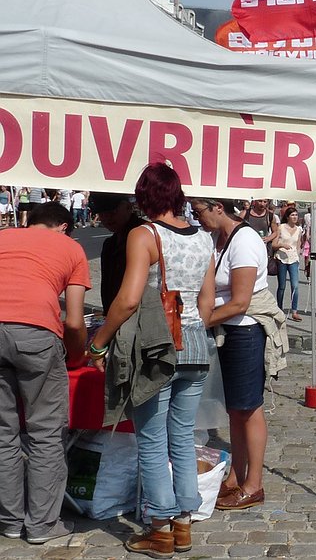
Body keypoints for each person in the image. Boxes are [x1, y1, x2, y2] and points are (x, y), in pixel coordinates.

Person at [89, 164, 215, 557]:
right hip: (195, 345)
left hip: (157, 348)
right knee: (182, 437)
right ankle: (183, 523)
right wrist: (193, 328)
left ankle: (159, 525)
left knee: (151, 438)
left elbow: (128, 299)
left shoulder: (145, 235)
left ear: (142, 197)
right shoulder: (203, 238)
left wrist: (99, 342)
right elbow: (208, 301)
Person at [0, 202, 90, 544]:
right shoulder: (71, 248)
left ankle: (9, 521)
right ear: (65, 226)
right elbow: (74, 320)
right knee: (45, 433)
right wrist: (78, 355)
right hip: (36, 333)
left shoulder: (3, 237)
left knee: (3, 432)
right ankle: (41, 525)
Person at [193, 198, 284, 511]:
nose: (197, 218)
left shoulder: (244, 240)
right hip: (228, 330)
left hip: (244, 330)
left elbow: (240, 302)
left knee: (249, 407)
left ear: (218, 207)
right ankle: (236, 475)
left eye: (199, 211)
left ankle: (253, 483)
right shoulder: (218, 238)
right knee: (235, 409)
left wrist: (198, 321)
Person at [92, 193, 147, 314]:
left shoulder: (145, 235)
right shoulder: (110, 243)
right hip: (116, 314)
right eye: (102, 213)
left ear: (128, 207)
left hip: (139, 315)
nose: (107, 218)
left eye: (112, 212)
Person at [273, 207, 303, 322]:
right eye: (292, 215)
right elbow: (274, 244)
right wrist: (282, 245)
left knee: (295, 285)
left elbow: (298, 244)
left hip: (293, 258)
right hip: (282, 257)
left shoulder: (299, 229)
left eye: (296, 215)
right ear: (287, 217)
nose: (295, 217)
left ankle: (294, 311)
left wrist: (299, 254)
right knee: (282, 286)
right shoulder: (281, 227)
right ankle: (279, 309)